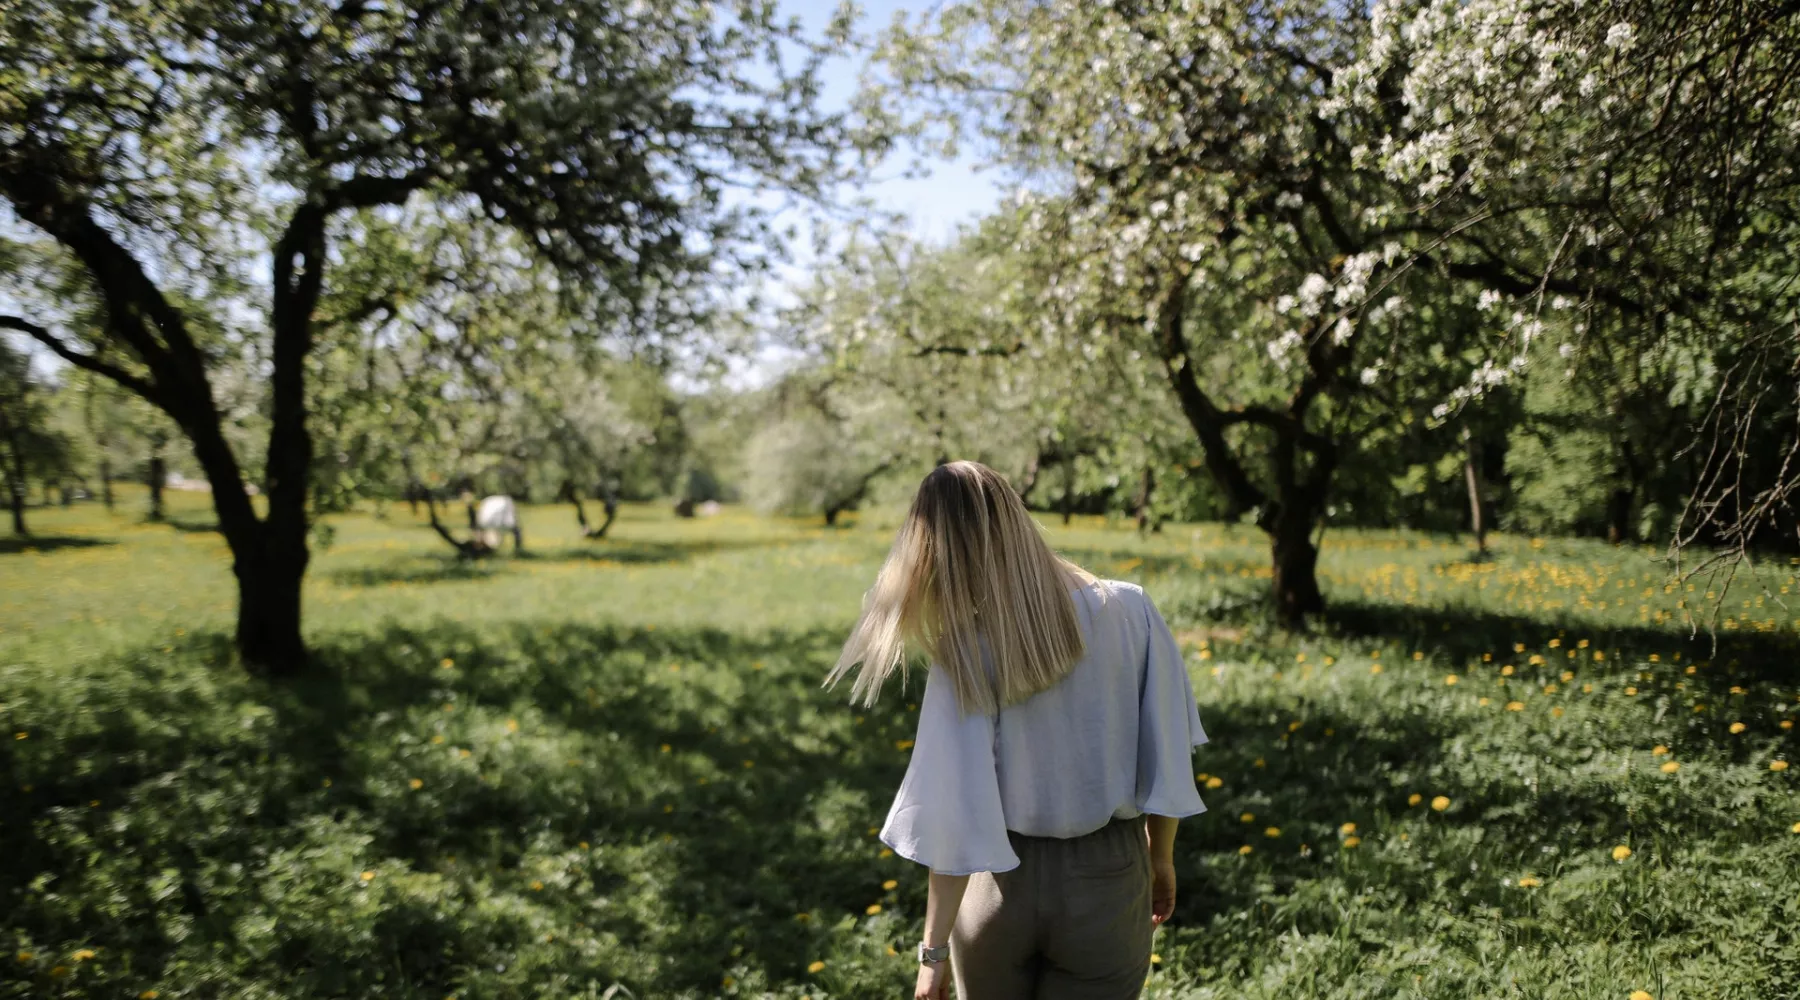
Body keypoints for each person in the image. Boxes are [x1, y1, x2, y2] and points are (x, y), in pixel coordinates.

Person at [827, 461, 1210, 1000]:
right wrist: (1160, 857)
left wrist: (932, 954)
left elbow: (953, 812)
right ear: (1015, 514)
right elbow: (1167, 753)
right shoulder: (1130, 610)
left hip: (995, 886)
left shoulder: (966, 646)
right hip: (1107, 877)